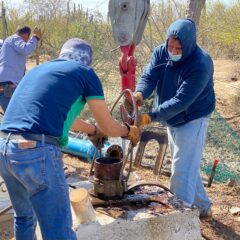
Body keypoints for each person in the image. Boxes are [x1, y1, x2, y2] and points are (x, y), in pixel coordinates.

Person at [0, 38, 140, 240]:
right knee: (59, 232)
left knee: (24, 219)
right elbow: (109, 126)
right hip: (36, 150)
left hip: (5, 149)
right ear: (87, 61)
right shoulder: (85, 73)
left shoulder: (40, 70)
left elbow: (66, 117)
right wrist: (128, 130)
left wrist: (92, 130)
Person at [125, 18, 215, 218]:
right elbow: (149, 77)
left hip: (193, 117)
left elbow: (181, 102)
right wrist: (140, 93)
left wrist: (149, 117)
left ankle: (179, 222)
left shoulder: (201, 64)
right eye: (170, 46)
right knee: (186, 162)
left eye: (178, 49)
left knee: (181, 171)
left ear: (189, 45)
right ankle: (203, 207)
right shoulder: (160, 51)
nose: (173, 52)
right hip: (171, 117)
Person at [0, 26, 42, 113]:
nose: (27, 41)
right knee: (12, 117)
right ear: (26, 35)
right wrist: (35, 38)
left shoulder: (10, 43)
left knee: (14, 116)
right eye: (28, 38)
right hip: (7, 86)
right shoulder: (15, 39)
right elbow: (26, 49)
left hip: (8, 84)